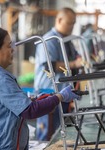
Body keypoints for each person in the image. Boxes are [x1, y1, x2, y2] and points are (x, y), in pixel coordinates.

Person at [0, 27, 80, 150]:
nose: (13, 50)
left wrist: (45, 98)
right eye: (9, 46)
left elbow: (15, 105)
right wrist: (60, 96)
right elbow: (30, 111)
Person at [34, 7, 83, 140]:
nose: (72, 26)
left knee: (59, 133)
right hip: (48, 92)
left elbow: (75, 58)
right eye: (69, 23)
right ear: (59, 20)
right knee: (46, 134)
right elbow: (49, 66)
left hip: (63, 92)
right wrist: (75, 64)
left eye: (74, 23)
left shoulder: (66, 40)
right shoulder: (49, 40)